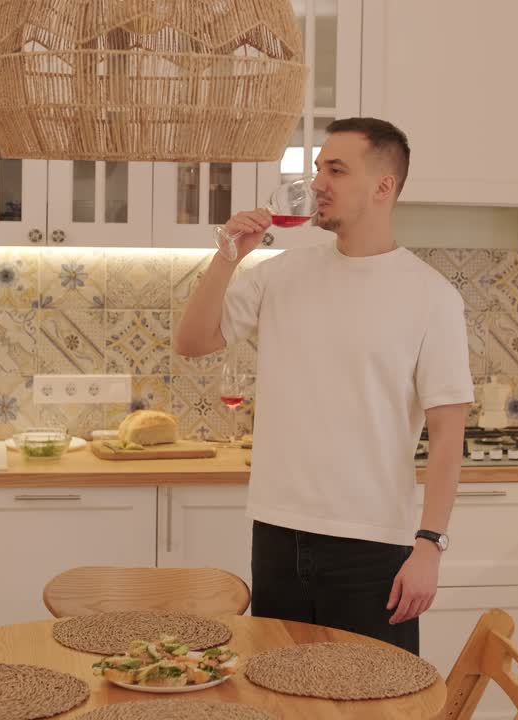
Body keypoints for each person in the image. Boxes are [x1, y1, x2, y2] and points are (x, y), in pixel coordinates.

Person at [173, 117, 471, 654]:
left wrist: (430, 544)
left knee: (377, 704)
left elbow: (449, 432)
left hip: (375, 545)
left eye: (336, 169)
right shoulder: (280, 273)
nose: (317, 183)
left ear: (384, 186)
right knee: (280, 695)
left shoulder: (432, 298)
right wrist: (228, 256)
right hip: (278, 532)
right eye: (317, 169)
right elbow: (193, 340)